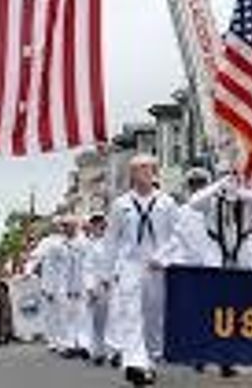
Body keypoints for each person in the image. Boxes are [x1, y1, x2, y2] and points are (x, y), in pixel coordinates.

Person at [104, 154, 179, 387]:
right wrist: (108, 273)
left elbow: (176, 236)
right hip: (130, 266)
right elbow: (112, 240)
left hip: (156, 266)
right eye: (138, 169)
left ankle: (150, 359)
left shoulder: (167, 203)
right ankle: (135, 364)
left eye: (147, 169)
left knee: (153, 316)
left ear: (154, 172)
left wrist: (164, 259)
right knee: (132, 314)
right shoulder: (121, 205)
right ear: (132, 174)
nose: (143, 173)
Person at [59, 216, 93, 358]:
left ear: (76, 226)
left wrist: (87, 285)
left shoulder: (84, 243)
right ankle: (70, 345)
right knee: (69, 316)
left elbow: (88, 266)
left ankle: (84, 345)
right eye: (64, 226)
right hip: (67, 285)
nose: (66, 228)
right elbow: (62, 268)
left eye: (68, 225)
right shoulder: (63, 245)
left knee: (83, 316)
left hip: (82, 284)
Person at [83, 212, 112, 366]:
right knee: (98, 322)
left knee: (115, 319)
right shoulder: (89, 245)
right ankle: (98, 351)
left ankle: (113, 351)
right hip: (98, 286)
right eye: (94, 223)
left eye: (100, 223)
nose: (98, 226)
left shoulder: (113, 241)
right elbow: (87, 268)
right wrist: (90, 288)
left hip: (114, 285)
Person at [36, 216, 67, 352]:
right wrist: (27, 272)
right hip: (50, 282)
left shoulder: (68, 241)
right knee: (51, 314)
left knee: (62, 313)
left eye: (61, 224)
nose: (59, 227)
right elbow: (35, 258)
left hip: (64, 283)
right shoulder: (46, 242)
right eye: (57, 225)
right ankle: (53, 340)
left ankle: (63, 340)